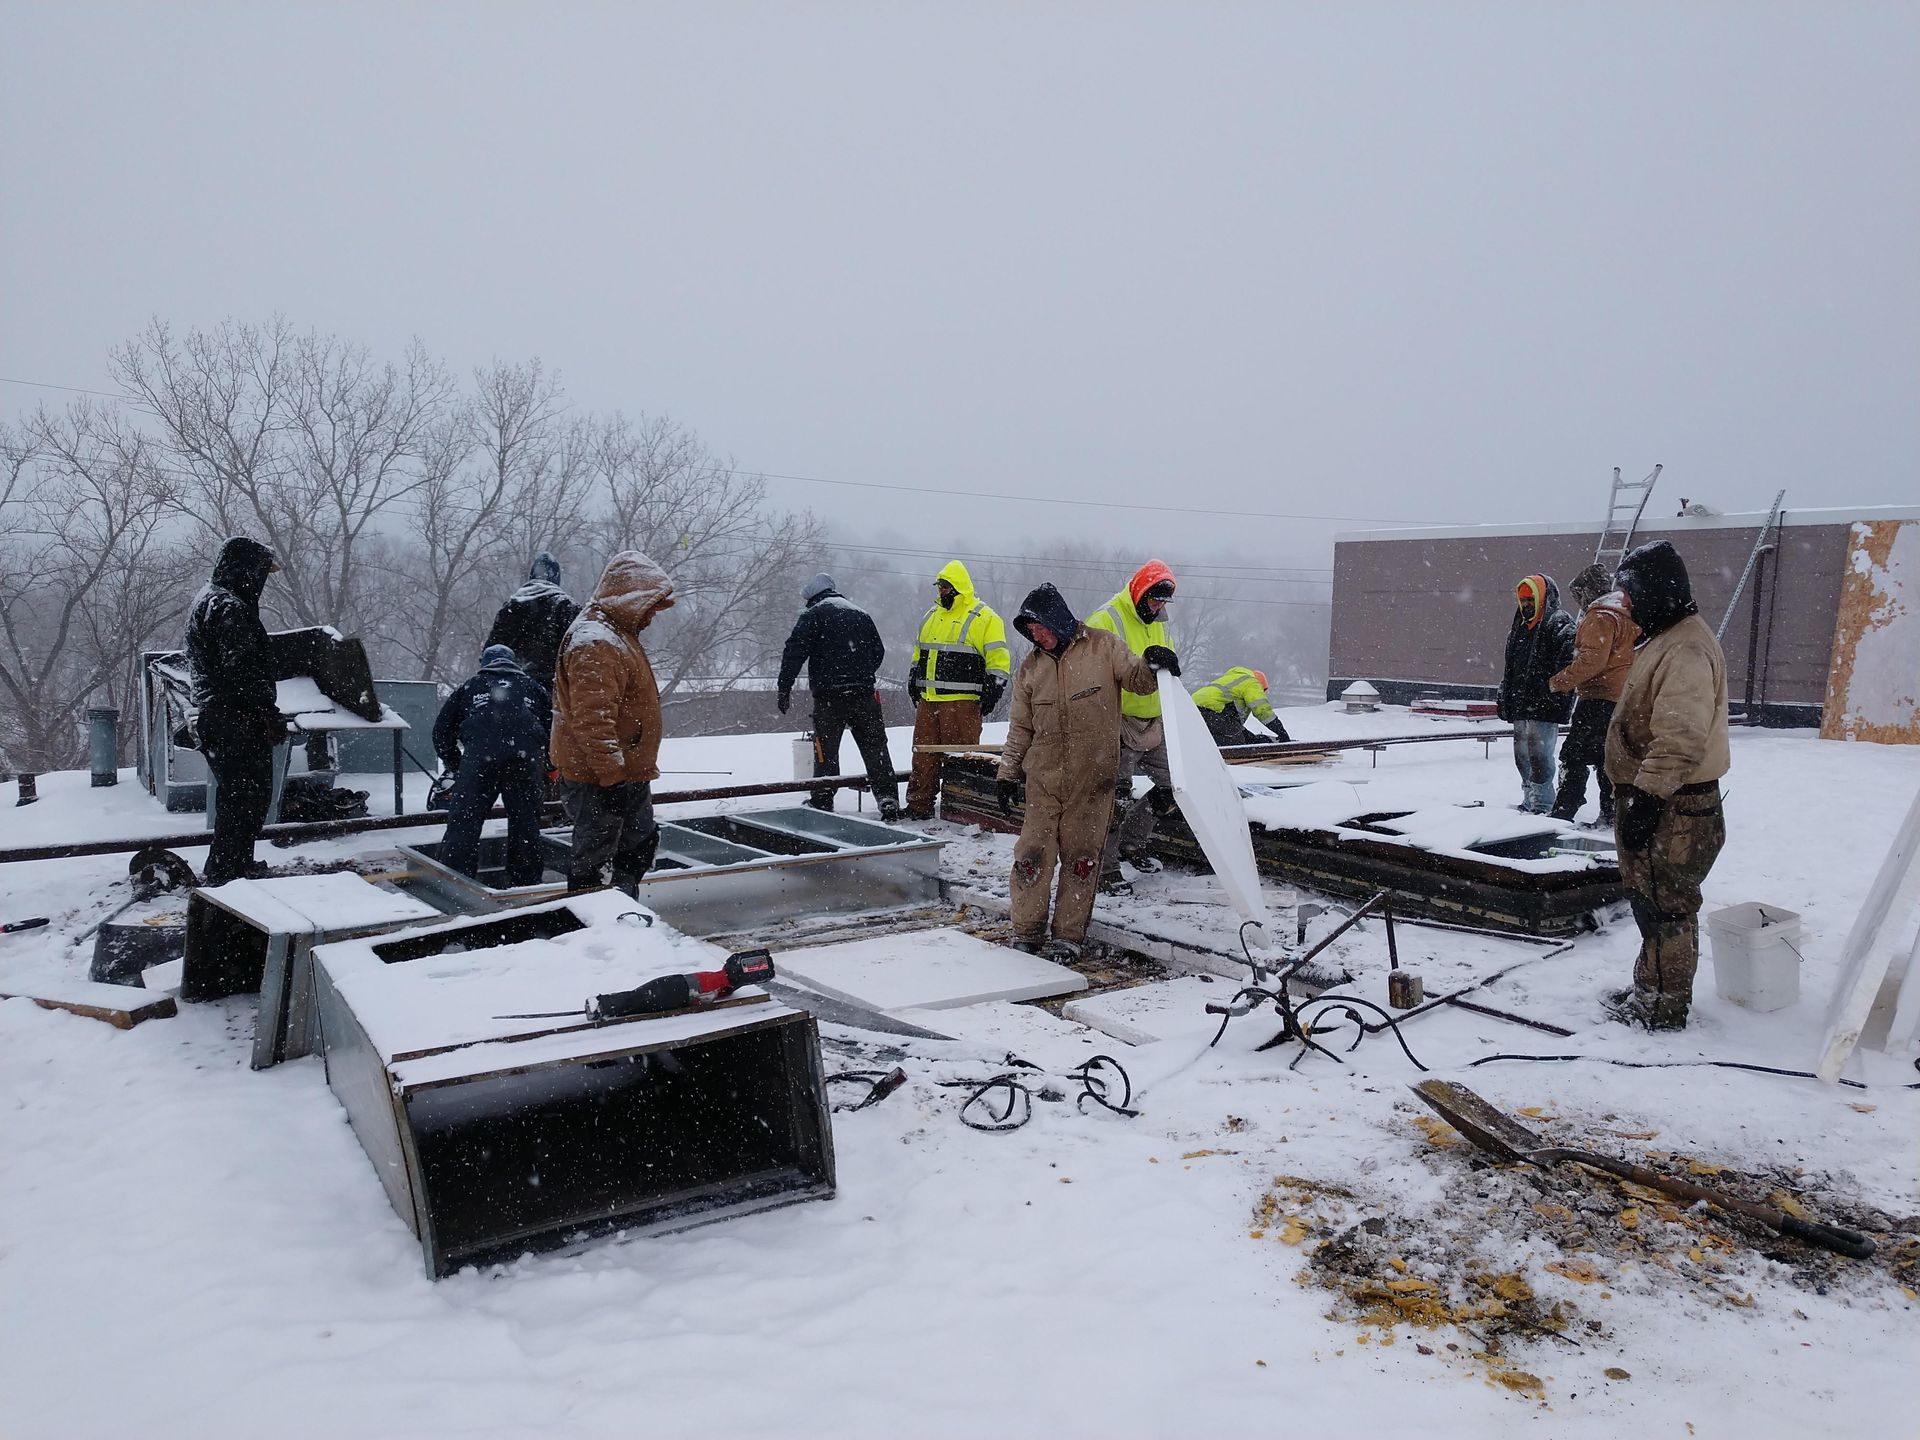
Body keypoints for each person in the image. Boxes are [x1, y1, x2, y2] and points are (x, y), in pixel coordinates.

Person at [996, 584, 1172, 960]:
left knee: (1081, 860)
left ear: (1057, 619)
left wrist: (1153, 663)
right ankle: (1026, 931)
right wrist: (1008, 773)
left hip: (1093, 782)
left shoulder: (1103, 648)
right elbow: (1020, 728)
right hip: (1043, 781)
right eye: (1029, 631)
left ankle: (1068, 937)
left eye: (1039, 627)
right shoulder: (1030, 669)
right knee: (1031, 856)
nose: (1035, 636)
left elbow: (1138, 681)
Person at [1605, 540, 1730, 1031]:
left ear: (1657, 590)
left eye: (1631, 592)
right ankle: (1651, 988)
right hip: (1666, 800)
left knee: (1666, 908)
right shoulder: (1668, 637)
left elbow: (1680, 735)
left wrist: (1647, 798)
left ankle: (1661, 1006)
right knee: (1652, 902)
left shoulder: (1686, 647)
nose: (1627, 603)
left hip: (1675, 806)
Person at [550, 551, 675, 892]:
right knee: (597, 864)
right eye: (650, 605)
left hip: (621, 772)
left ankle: (623, 916)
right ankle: (599, 927)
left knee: (635, 849)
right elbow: (592, 720)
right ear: (630, 597)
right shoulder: (597, 642)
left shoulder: (614, 633)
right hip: (601, 778)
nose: (652, 615)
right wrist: (611, 778)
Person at [184, 536, 284, 885]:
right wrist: (265, 711)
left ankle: (233, 866)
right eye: (260, 572)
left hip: (220, 715)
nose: (262, 580)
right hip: (234, 718)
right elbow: (242, 669)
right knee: (246, 798)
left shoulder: (211, 600)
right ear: (246, 570)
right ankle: (229, 873)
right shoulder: (228, 608)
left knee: (238, 797)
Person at [1086, 560, 1178, 894]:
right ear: (1139, 591)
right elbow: (1091, 677)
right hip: (1116, 721)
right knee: (1114, 799)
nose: (1158, 607)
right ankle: (1104, 867)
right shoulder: (1106, 620)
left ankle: (1132, 842)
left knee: (1175, 787)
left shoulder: (1161, 622)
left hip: (1153, 721)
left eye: (1163, 602)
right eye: (1154, 600)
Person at [776, 573, 901, 820]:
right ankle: (887, 798)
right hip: (864, 695)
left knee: (826, 751)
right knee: (875, 747)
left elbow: (794, 653)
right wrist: (861, 674)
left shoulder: (812, 615)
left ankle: (823, 800)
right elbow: (878, 651)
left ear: (813, 597)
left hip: (829, 698)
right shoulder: (860, 614)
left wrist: (784, 688)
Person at [432, 645, 552, 886]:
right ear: (513, 662)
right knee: (525, 823)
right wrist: (546, 763)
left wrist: (456, 763)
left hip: (479, 764)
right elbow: (554, 730)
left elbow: (441, 732)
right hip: (522, 763)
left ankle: (456, 882)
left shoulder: (469, 687)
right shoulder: (534, 688)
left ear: (483, 663)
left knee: (464, 822)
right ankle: (525, 882)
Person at [903, 560, 1011, 819]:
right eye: (940, 586)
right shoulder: (931, 616)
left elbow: (999, 660)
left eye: (946, 586)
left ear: (959, 587)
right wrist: (913, 677)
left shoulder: (985, 618)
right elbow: (919, 653)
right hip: (929, 701)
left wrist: (993, 690)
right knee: (923, 757)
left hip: (963, 703)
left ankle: (962, 808)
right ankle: (919, 806)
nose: (941, 591)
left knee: (962, 760)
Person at [1548, 564, 1639, 825]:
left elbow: (1592, 660)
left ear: (1587, 591)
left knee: (1572, 756)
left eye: (1578, 595)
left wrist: (1558, 681)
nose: (1578, 602)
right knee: (1606, 758)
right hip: (1623, 696)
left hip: (1599, 697)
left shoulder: (1600, 616)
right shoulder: (1626, 613)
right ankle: (1611, 815)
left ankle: (1564, 811)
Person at [1496, 573, 1575, 813]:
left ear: (1543, 597)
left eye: (1531, 598)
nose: (1527, 604)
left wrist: (1551, 689)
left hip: (1544, 705)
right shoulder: (1519, 625)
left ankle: (1542, 803)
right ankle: (1529, 799)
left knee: (1540, 756)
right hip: (1521, 703)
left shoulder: (1559, 623)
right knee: (1522, 757)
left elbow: (1568, 663)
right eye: (1523, 599)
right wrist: (1506, 696)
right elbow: (1510, 665)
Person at [485, 551, 580, 691]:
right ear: (557, 578)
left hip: (511, 688)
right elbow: (578, 651)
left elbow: (491, 651)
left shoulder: (510, 607)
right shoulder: (566, 607)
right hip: (553, 688)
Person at [1192, 667, 1292, 748]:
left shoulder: (1234, 679)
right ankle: (1216, 754)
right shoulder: (1252, 683)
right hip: (1211, 711)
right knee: (1237, 744)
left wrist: (1253, 739)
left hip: (1192, 708)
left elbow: (1232, 725)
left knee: (1238, 736)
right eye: (1262, 691)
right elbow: (1262, 710)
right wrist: (1281, 732)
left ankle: (1203, 747)